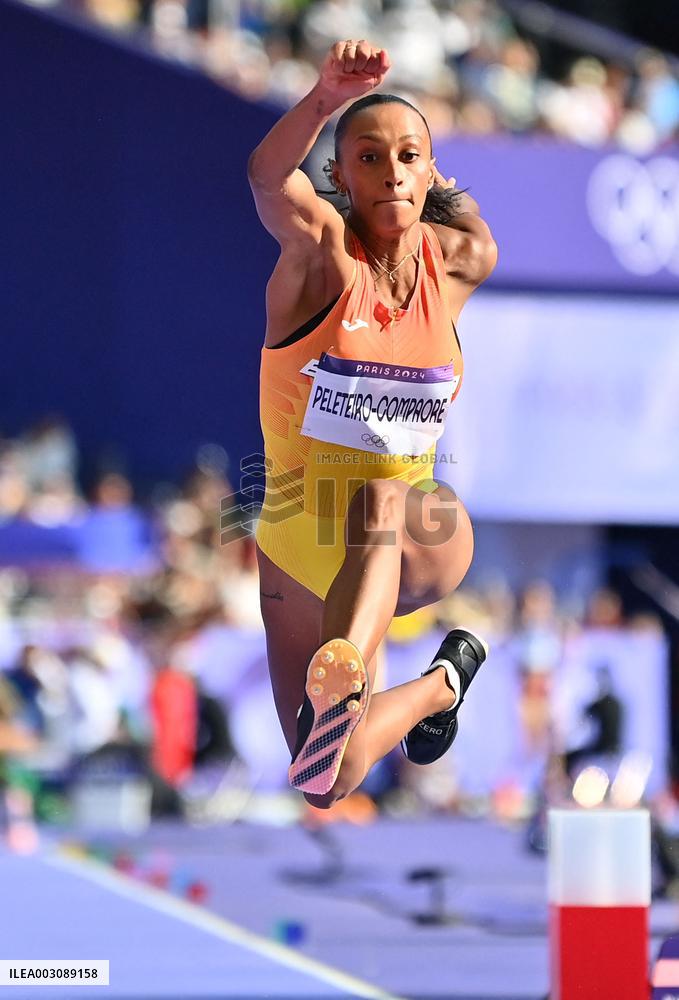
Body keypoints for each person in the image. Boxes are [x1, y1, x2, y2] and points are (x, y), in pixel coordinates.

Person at [248, 39, 497, 808]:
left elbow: (475, 230)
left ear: (429, 173)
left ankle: (344, 673)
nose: (390, 171)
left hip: (413, 530)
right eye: (368, 157)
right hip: (297, 548)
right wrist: (323, 97)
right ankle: (442, 683)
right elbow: (266, 178)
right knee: (325, 779)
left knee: (382, 500)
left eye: (408, 157)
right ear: (340, 177)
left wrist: (441, 188)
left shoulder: (457, 264)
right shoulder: (320, 261)